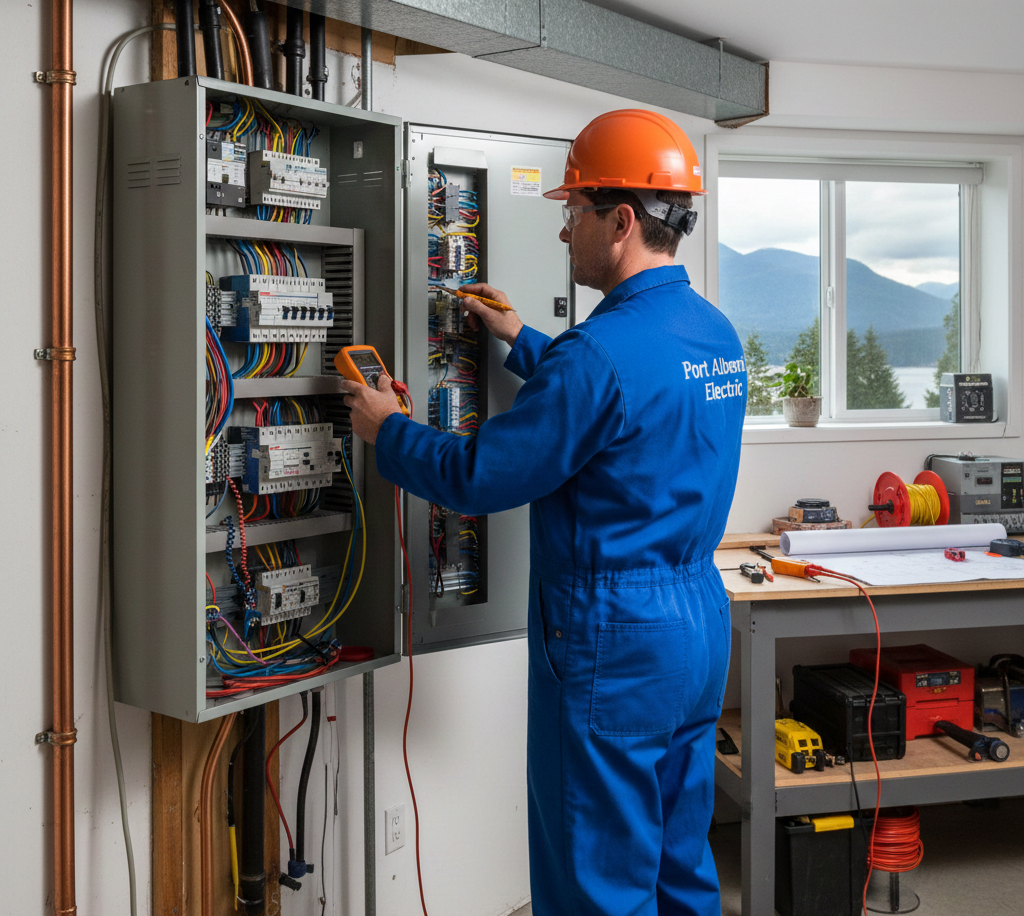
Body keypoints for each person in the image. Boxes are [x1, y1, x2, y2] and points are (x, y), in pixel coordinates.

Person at [340, 109, 747, 916]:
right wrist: (522, 337)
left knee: (595, 874)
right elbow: (623, 401)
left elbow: (483, 475)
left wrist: (389, 433)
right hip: (697, 624)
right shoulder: (714, 334)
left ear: (622, 221)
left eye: (575, 213)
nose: (565, 234)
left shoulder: (598, 356)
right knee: (677, 859)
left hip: (615, 638)